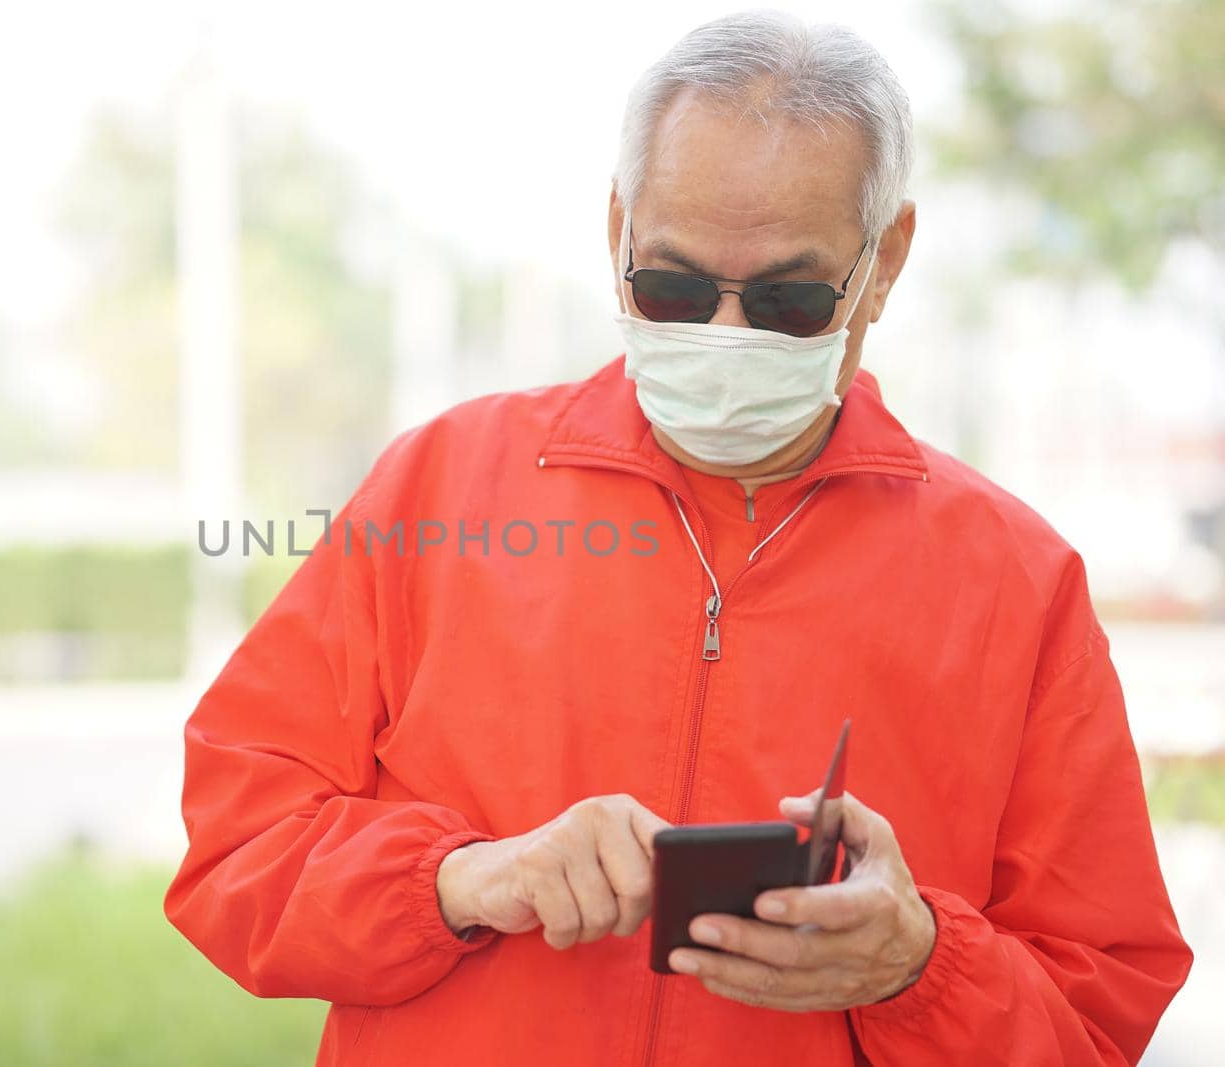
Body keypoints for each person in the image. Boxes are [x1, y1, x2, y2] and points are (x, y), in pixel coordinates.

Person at [163, 10, 1192, 1065]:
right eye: (673, 286)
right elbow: (238, 846)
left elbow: (1096, 1013)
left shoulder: (1012, 581)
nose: (723, 336)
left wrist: (919, 964)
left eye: (790, 299)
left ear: (883, 263)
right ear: (616, 231)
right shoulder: (437, 487)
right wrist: (465, 878)